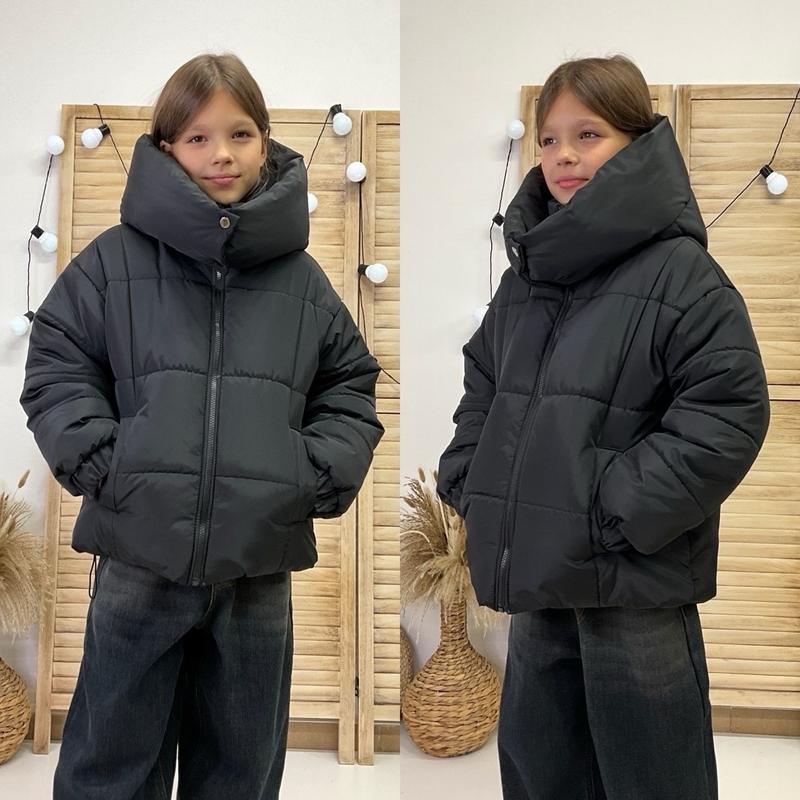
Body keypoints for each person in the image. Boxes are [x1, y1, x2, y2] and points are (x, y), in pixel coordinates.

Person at [20, 52, 384, 800]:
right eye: (198, 137)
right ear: (166, 150)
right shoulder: (114, 263)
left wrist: (309, 477)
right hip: (138, 555)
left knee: (241, 769)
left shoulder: (301, 281)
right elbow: (56, 362)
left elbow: (350, 384)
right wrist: (107, 465)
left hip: (258, 567)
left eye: (240, 133)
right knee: (110, 763)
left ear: (264, 142)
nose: (222, 153)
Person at [436, 55, 770, 800]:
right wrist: (471, 479)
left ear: (636, 143)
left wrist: (612, 508)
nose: (564, 155)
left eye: (588, 135)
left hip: (634, 585)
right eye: (549, 139)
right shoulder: (525, 281)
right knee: (541, 770)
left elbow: (729, 409)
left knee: (654, 778)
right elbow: (484, 381)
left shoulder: (681, 273)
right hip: (540, 576)